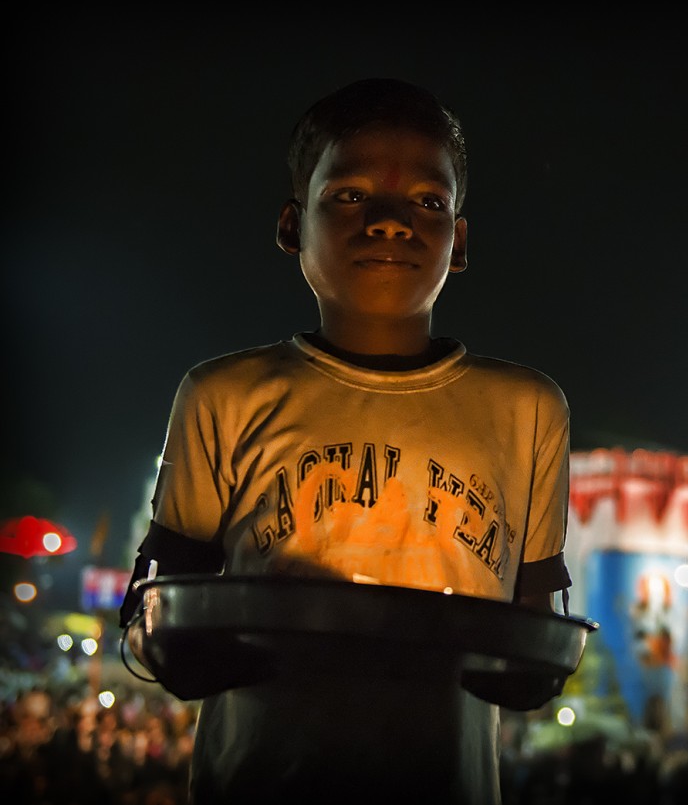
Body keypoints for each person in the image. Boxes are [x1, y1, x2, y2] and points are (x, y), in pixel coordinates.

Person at [118, 77, 573, 804]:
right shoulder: (223, 395)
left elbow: (535, 632)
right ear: (292, 224)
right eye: (351, 195)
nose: (392, 222)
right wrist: (183, 647)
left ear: (458, 239)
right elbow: (158, 602)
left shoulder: (528, 410)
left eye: (428, 201)